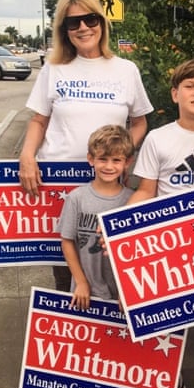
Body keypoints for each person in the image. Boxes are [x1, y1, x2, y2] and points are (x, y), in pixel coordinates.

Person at [18, 0, 153, 291]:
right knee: (66, 269)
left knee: (108, 263)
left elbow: (141, 120)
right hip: (60, 183)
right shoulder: (53, 69)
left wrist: (122, 156)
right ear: (64, 31)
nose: (82, 28)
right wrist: (27, 156)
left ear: (101, 22)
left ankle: (102, 337)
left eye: (89, 19)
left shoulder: (125, 70)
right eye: (72, 23)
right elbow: (39, 120)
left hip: (107, 186)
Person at [129, 58, 194, 388]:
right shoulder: (158, 139)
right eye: (189, 86)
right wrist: (117, 226)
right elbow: (146, 191)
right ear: (175, 94)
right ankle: (171, 382)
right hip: (167, 244)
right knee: (166, 320)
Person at [58, 124, 135, 309]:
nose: (109, 166)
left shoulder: (132, 200)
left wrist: (131, 291)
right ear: (91, 159)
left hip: (122, 294)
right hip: (85, 292)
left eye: (116, 160)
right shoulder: (77, 198)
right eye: (103, 159)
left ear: (127, 162)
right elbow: (67, 240)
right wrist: (81, 282)